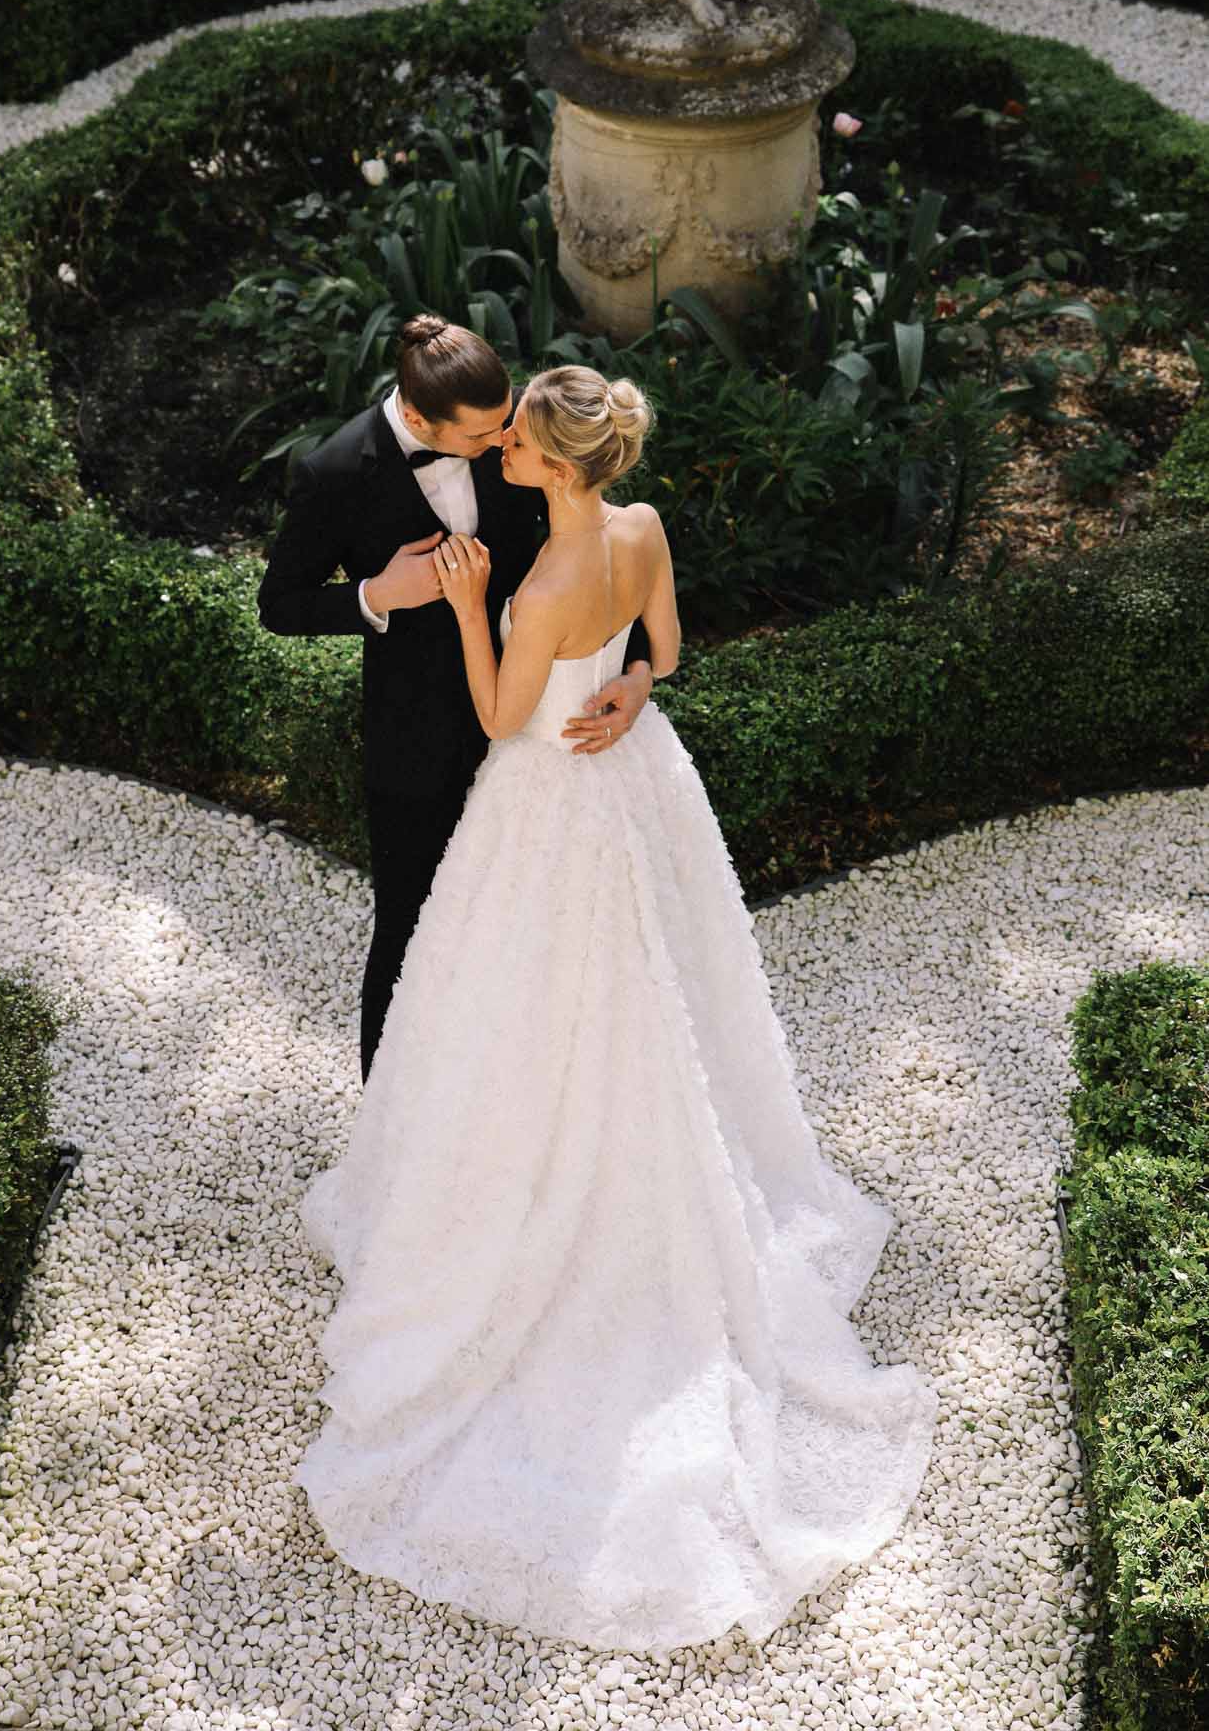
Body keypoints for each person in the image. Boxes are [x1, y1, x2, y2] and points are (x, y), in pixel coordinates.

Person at [295, 365, 940, 1652]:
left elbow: (495, 717)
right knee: (664, 985)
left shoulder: (532, 583)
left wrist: (474, 605)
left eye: (521, 442)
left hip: (547, 796)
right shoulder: (641, 530)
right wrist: (635, 689)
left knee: (524, 1004)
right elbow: (671, 650)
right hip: (639, 775)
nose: (510, 454)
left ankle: (538, 1191)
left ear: (552, 456)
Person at [255, 317, 655, 1084]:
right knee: (411, 927)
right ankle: (390, 1118)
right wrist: (376, 594)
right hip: (421, 741)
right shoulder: (334, 473)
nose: (502, 446)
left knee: (541, 929)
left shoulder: (518, 439)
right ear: (419, 418)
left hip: (539, 733)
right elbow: (279, 605)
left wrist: (633, 673)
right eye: (481, 438)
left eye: (506, 428)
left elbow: (603, 549)